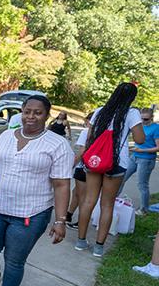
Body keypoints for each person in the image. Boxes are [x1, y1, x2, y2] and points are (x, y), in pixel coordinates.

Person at [0, 95, 73, 286]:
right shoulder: (7, 136)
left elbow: (61, 184)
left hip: (32, 213)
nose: (31, 116)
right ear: (22, 112)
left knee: (14, 260)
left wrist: (60, 220)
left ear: (47, 115)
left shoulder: (57, 145)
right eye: (27, 111)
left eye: (37, 112)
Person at [76, 83, 145, 257]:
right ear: (132, 98)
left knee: (88, 200)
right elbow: (140, 139)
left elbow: (90, 137)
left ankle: (81, 241)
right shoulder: (132, 113)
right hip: (116, 163)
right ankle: (99, 247)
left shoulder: (99, 111)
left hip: (95, 160)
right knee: (107, 204)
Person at [120, 108, 159, 215]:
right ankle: (112, 202)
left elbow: (158, 147)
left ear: (151, 118)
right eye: (141, 119)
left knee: (142, 184)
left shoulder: (156, 128)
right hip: (134, 156)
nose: (143, 121)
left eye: (145, 119)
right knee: (121, 178)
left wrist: (142, 150)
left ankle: (144, 210)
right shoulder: (139, 126)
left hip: (146, 159)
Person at [66, 112, 94, 229]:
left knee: (83, 196)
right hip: (94, 166)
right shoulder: (103, 131)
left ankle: (81, 223)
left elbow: (82, 151)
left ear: (89, 121)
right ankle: (68, 215)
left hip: (83, 166)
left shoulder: (86, 132)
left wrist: (71, 165)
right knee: (76, 191)